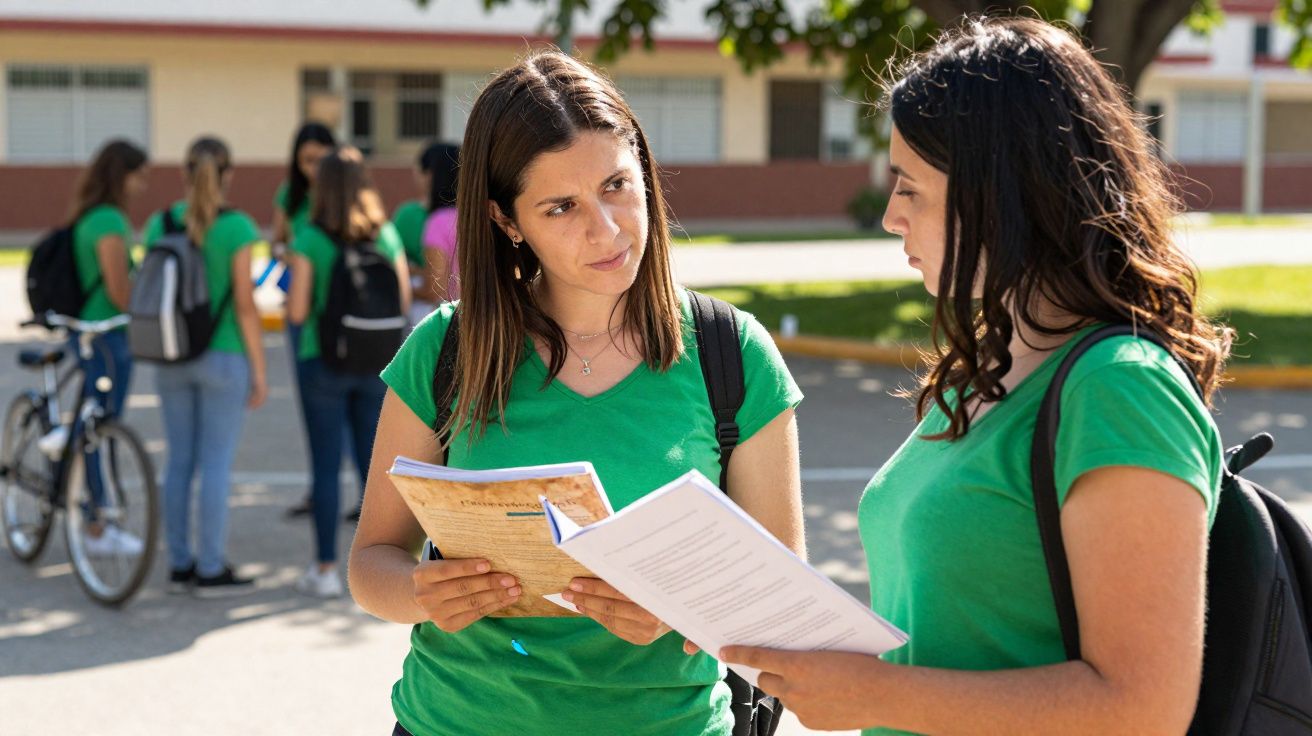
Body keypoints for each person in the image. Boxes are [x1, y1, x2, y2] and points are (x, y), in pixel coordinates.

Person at [719, 17, 1232, 735]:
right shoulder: (984, 372)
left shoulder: (1123, 388)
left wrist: (876, 696)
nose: (892, 215)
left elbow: (1142, 709)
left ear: (1000, 193)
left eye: (911, 187)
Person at [347, 50, 804, 736]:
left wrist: (679, 609)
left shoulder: (732, 354)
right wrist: (421, 592)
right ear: (507, 222)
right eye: (561, 207)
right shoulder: (444, 351)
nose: (607, 228)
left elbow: (782, 603)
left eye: (618, 184)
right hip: (454, 720)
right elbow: (370, 562)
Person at [143, 137, 267, 597]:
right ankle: (211, 568)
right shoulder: (237, 227)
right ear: (229, 173)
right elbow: (244, 303)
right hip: (224, 355)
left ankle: (179, 566)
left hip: (171, 355)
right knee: (215, 465)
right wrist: (260, 369)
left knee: (179, 462)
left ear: (183, 171)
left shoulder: (161, 223)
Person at [288, 145, 411, 598]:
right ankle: (383, 563)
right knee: (373, 463)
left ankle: (323, 568)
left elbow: (298, 309)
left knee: (324, 466)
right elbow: (399, 303)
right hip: (377, 362)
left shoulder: (310, 237)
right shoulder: (387, 233)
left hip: (322, 360)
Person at [68, 138, 149, 558]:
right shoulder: (110, 221)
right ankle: (98, 522)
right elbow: (120, 292)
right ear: (123, 175)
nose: (143, 185)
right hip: (107, 337)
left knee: (90, 427)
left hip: (86, 333)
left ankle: (90, 514)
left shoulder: (87, 215)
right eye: (139, 176)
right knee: (102, 431)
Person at [271, 123, 356, 521]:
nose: (314, 168)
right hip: (304, 312)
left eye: (321, 159)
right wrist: (288, 255)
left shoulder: (349, 195)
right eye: (306, 161)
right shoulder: (290, 197)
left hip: (348, 316)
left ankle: (363, 496)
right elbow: (278, 241)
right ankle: (321, 491)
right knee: (317, 412)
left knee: (359, 416)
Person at [414, 142, 461, 316]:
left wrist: (400, 289)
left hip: (454, 321)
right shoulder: (485, 216)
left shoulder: (439, 222)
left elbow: (434, 289)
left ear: (433, 175)